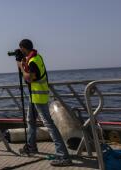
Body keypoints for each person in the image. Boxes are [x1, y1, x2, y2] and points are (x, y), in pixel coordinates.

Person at [17, 39, 73, 167]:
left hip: (39, 97)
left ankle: (64, 156)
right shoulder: (35, 58)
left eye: (20, 49)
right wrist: (23, 63)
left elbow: (29, 78)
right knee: (30, 121)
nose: (20, 52)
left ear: (24, 48)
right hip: (34, 97)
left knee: (49, 125)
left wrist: (20, 66)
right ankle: (31, 147)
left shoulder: (33, 61)